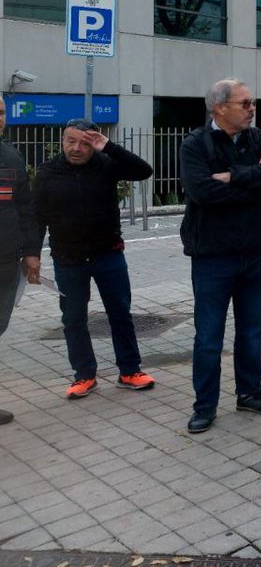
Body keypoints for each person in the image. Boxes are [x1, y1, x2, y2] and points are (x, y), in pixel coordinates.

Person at [179, 79, 261, 434]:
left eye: (252, 102)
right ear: (219, 108)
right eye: (245, 103)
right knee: (209, 336)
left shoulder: (256, 138)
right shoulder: (196, 144)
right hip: (213, 257)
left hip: (255, 252)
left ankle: (250, 392)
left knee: (252, 330)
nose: (252, 108)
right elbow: (203, 192)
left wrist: (237, 177)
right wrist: (254, 187)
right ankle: (205, 405)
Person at [31, 119, 155, 399]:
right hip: (68, 259)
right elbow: (37, 217)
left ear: (94, 143)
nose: (76, 148)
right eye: (70, 141)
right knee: (73, 319)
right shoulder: (47, 173)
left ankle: (130, 370)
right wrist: (33, 255)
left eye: (84, 143)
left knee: (120, 313)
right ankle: (84, 375)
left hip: (108, 254)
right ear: (62, 141)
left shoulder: (106, 165)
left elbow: (143, 171)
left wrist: (109, 147)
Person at [0, 103, 43, 423]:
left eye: (1, 113)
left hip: (5, 261)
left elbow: (26, 210)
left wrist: (31, 253)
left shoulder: (12, 157)